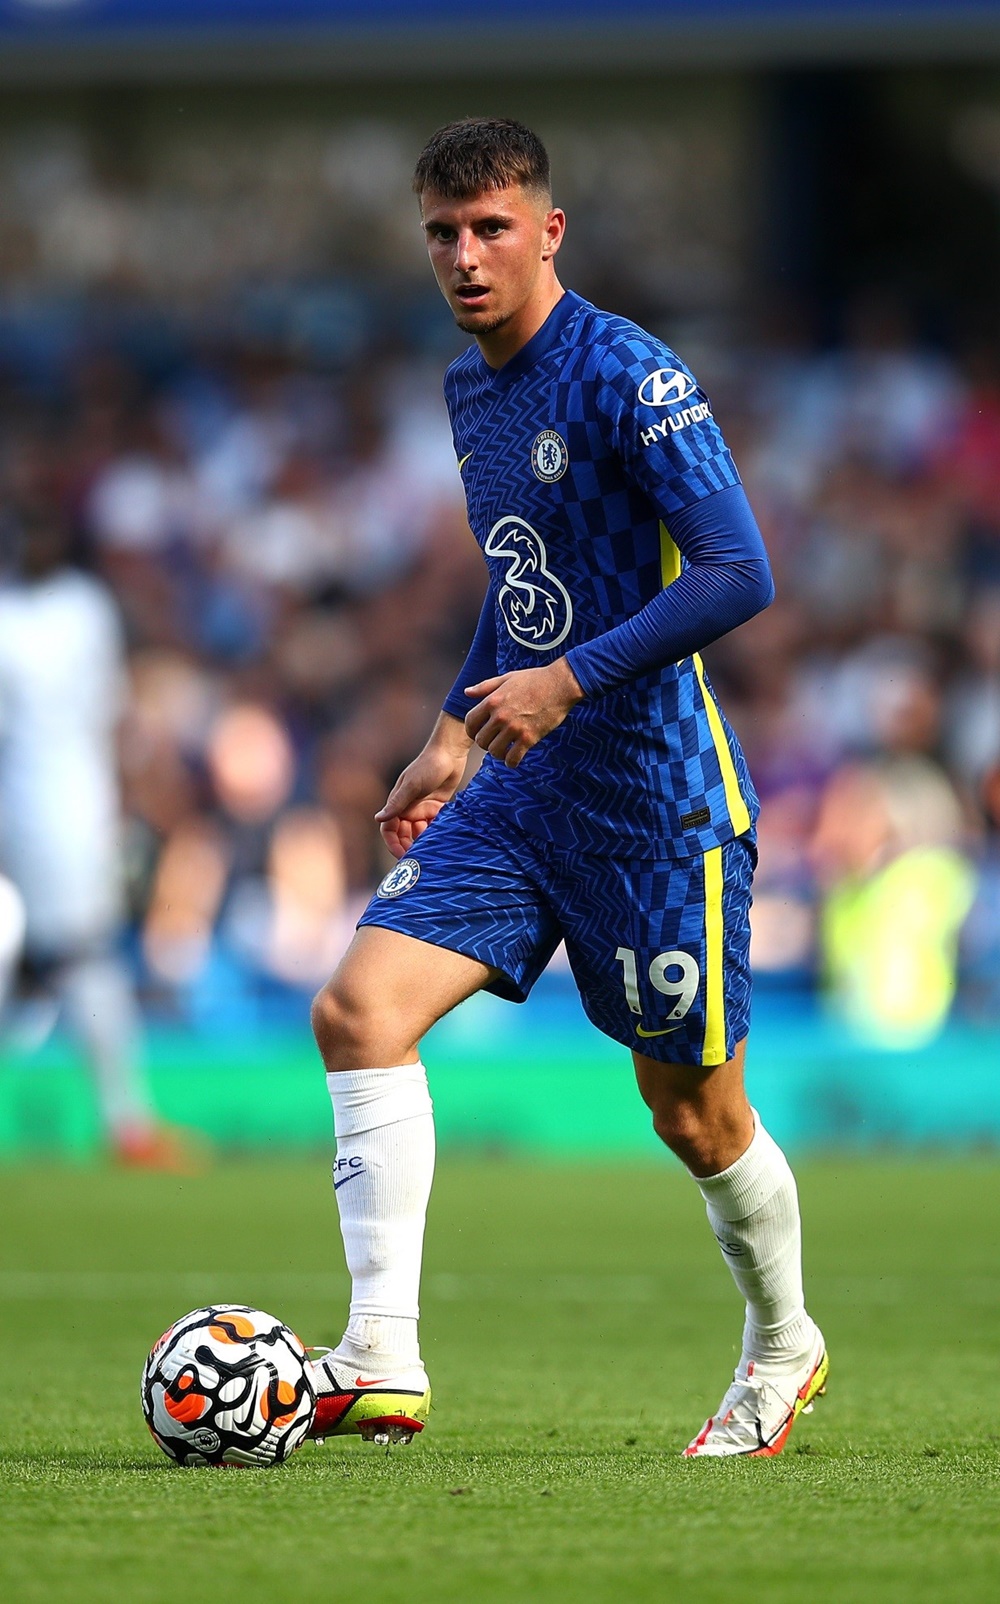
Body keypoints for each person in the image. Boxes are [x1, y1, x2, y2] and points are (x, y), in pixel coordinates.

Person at [306, 118, 826, 1458]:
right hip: (524, 788)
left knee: (694, 1114)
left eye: (490, 228)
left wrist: (564, 686)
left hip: (657, 800)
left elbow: (736, 573)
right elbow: (524, 576)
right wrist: (456, 729)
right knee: (359, 1011)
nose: (465, 257)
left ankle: (784, 1343)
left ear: (548, 230)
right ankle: (380, 1357)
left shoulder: (630, 375)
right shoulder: (470, 391)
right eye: (441, 232)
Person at [0, 498, 191, 1168]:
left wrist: (130, 796)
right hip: (29, 809)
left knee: (66, 960)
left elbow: (111, 712)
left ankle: (128, 1125)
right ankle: (129, 1126)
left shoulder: (85, 607)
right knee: (77, 959)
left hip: (73, 809)